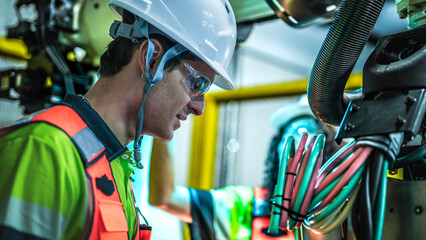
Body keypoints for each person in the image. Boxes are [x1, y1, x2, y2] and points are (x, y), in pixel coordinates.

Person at [0, 0, 237, 239]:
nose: (199, 108)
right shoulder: (45, 150)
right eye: (197, 84)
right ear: (150, 60)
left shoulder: (115, 165)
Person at [149, 96, 342, 240]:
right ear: (277, 153)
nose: (300, 149)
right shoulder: (246, 205)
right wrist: (166, 117)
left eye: (311, 138)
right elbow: (166, 198)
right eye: (291, 140)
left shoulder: (345, 210)